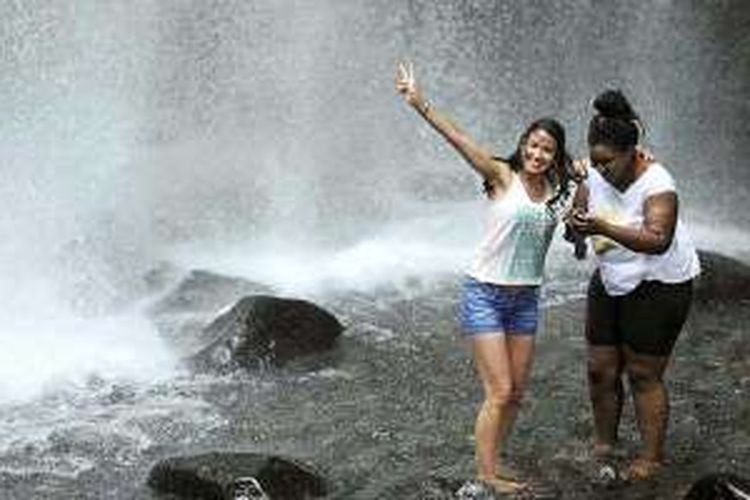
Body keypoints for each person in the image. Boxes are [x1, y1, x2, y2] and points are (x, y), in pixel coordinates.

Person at [395, 62, 578, 494]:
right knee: (499, 391)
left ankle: (494, 457)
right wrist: (419, 102)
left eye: (546, 150)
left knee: (516, 394)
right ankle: (487, 474)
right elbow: (458, 139)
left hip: (526, 299)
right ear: (522, 144)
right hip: (485, 295)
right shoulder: (501, 175)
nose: (537, 155)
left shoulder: (561, 190)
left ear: (556, 155)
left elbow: (594, 185)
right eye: (532, 146)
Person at [567, 89, 701, 481]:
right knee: (599, 369)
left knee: (643, 373)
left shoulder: (659, 183)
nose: (600, 169)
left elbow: (658, 239)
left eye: (607, 162)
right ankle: (605, 445)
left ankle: (652, 458)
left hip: (661, 282)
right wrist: (575, 231)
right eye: (595, 161)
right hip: (612, 277)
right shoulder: (592, 172)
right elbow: (578, 224)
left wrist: (603, 226)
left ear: (632, 152)